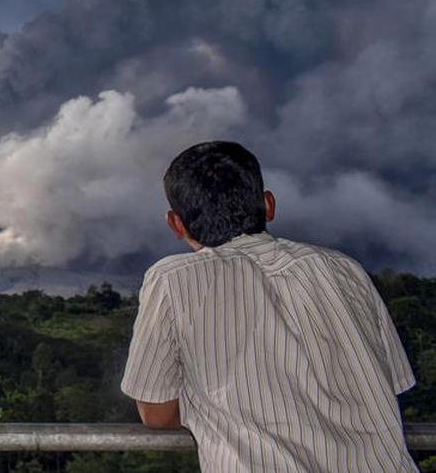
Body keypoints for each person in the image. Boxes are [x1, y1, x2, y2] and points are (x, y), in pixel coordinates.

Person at [120, 141, 418, 472]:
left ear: (176, 224)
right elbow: (390, 383)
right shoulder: (344, 268)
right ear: (268, 204)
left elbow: (156, 413)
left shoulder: (172, 279)